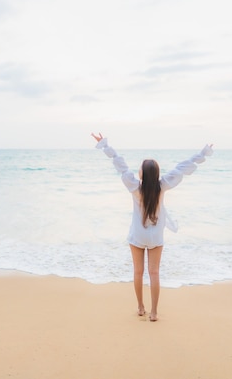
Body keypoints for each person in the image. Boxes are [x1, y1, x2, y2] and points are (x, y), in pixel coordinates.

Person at [91, 132, 213, 321]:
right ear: (156, 173)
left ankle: (141, 307)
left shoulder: (134, 187)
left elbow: (120, 165)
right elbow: (182, 168)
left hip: (137, 236)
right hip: (155, 237)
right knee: (154, 273)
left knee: (138, 272)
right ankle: (154, 312)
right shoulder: (162, 185)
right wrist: (203, 153)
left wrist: (105, 145)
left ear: (141, 173)